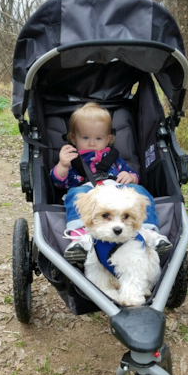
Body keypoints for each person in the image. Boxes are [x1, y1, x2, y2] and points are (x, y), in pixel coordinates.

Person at [50, 102, 172, 263]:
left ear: (107, 139)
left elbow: (131, 173)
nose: (92, 143)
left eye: (98, 138)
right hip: (88, 192)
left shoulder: (113, 157)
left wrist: (130, 177)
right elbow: (59, 182)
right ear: (73, 138)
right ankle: (80, 239)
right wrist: (63, 165)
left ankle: (150, 234)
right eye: (85, 137)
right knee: (74, 194)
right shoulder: (73, 158)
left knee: (139, 191)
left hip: (116, 190)